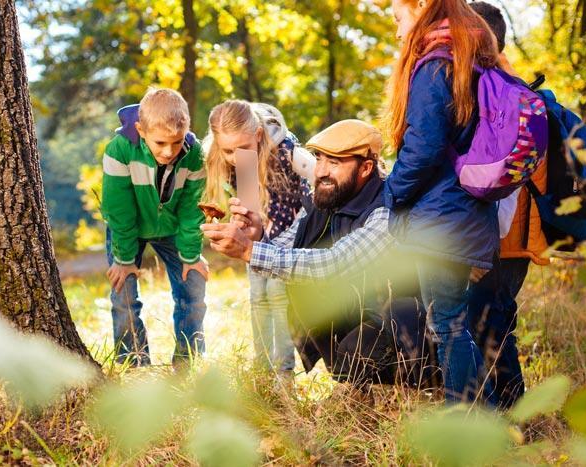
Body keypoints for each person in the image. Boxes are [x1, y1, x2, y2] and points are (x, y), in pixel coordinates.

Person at [202, 120, 439, 388]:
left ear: (366, 168)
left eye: (335, 162)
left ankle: (415, 388)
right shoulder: (327, 198)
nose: (321, 170)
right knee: (330, 331)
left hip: (406, 325)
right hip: (360, 313)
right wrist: (257, 237)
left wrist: (248, 250)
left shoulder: (386, 210)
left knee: (356, 352)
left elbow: (333, 263)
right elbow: (289, 248)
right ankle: (362, 385)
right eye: (319, 158)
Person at [382, 0, 500, 403]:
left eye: (400, 19)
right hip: (465, 212)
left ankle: (467, 420)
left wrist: (391, 192)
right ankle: (478, 415)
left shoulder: (436, 66)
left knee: (448, 324)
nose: (398, 32)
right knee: (451, 321)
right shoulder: (472, 59)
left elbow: (423, 147)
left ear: (421, 7)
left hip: (443, 216)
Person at [467, 1, 550, 409]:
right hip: (508, 231)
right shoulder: (505, 82)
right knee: (492, 320)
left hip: (505, 232)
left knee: (490, 323)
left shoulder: (502, 89)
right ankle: (505, 412)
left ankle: (513, 416)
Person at [101, 87, 208, 368]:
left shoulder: (195, 154)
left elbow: (191, 210)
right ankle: (134, 363)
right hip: (129, 230)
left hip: (172, 227)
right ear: (141, 130)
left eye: (176, 142)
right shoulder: (120, 150)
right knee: (123, 296)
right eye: (160, 143)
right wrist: (124, 259)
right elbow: (119, 210)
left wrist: (190, 255)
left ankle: (189, 362)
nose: (169, 151)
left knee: (193, 288)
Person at [203, 100, 309, 375]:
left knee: (276, 293)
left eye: (243, 149)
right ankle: (261, 370)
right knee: (257, 295)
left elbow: (314, 197)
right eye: (228, 151)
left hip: (291, 237)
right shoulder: (239, 158)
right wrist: (239, 223)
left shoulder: (287, 152)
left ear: (258, 135)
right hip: (259, 238)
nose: (236, 157)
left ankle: (284, 374)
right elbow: (251, 206)